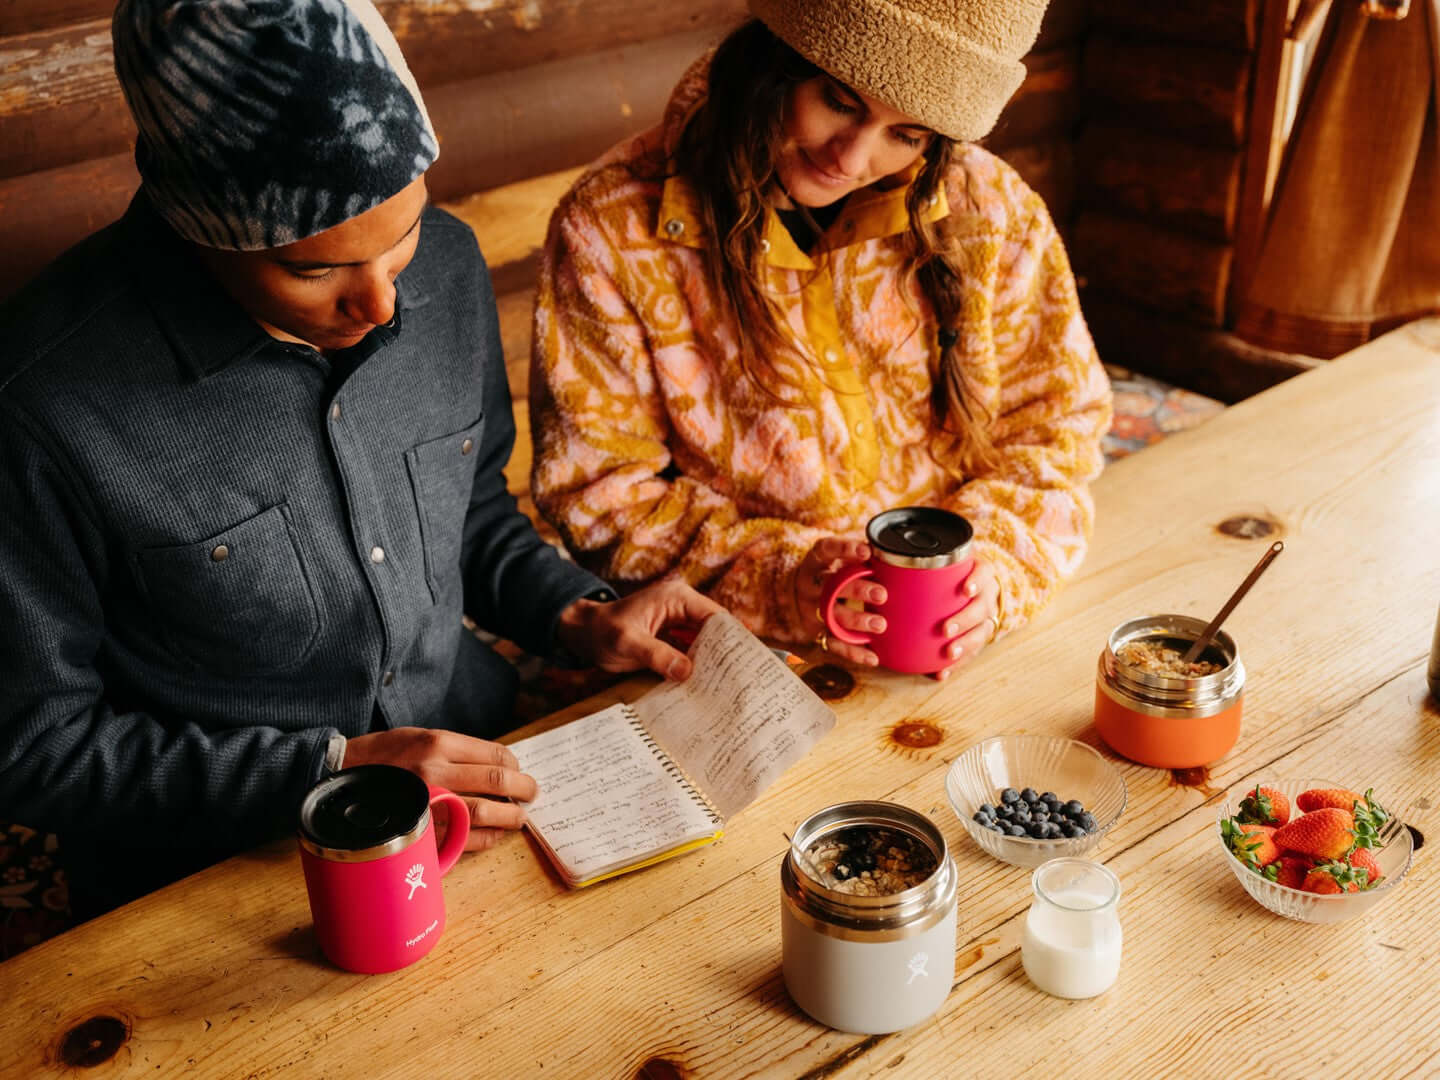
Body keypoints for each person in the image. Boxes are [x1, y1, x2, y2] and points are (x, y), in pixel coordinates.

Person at [0, 0, 721, 919]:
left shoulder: (446, 267)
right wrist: (329, 771)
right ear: (197, 225)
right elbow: (30, 746)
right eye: (315, 270)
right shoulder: (41, 402)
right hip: (220, 876)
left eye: (403, 235)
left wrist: (574, 617)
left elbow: (467, 511)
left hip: (488, 777)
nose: (384, 304)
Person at [529, 0, 1113, 677]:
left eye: (908, 134)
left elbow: (1057, 428)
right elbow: (601, 492)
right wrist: (785, 579)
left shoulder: (989, 210)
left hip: (969, 652)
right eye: (839, 102)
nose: (852, 157)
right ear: (775, 61)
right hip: (735, 658)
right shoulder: (612, 227)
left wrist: (987, 575)